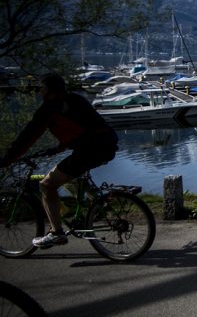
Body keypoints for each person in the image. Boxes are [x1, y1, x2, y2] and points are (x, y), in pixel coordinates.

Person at [0, 73, 119, 248]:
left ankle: (56, 233)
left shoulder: (49, 109)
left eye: (43, 88)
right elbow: (85, 127)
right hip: (107, 145)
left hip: (89, 151)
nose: (40, 91)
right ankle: (91, 208)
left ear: (50, 91)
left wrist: (7, 160)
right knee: (71, 176)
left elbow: (27, 137)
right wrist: (59, 147)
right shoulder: (76, 99)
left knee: (47, 185)